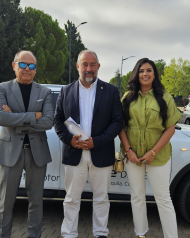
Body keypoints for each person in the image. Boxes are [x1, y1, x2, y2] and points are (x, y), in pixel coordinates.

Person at [54, 50, 123, 238]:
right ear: (77, 67)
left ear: (99, 67)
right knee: (71, 199)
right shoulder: (65, 91)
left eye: (93, 64)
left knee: (101, 198)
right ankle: (69, 234)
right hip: (74, 153)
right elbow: (57, 120)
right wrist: (69, 139)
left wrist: (96, 141)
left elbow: (117, 122)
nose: (88, 68)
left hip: (100, 152)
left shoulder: (111, 91)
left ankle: (100, 233)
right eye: (84, 64)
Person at [118, 58, 182, 238]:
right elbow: (120, 126)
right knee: (137, 196)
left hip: (158, 156)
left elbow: (170, 128)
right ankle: (140, 233)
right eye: (141, 71)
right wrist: (129, 150)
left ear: (154, 74)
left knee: (163, 198)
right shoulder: (127, 97)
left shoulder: (165, 97)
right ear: (136, 75)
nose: (145, 74)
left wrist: (153, 152)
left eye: (148, 70)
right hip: (133, 156)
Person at [0, 50, 54, 238]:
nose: (27, 69)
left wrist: (15, 118)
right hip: (10, 152)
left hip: (37, 153)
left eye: (32, 66)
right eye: (23, 65)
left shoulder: (45, 92)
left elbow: (48, 122)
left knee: (36, 201)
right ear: (14, 65)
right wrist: (33, 116)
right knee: (6, 201)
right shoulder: (2, 89)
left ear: (36, 69)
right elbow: (1, 117)